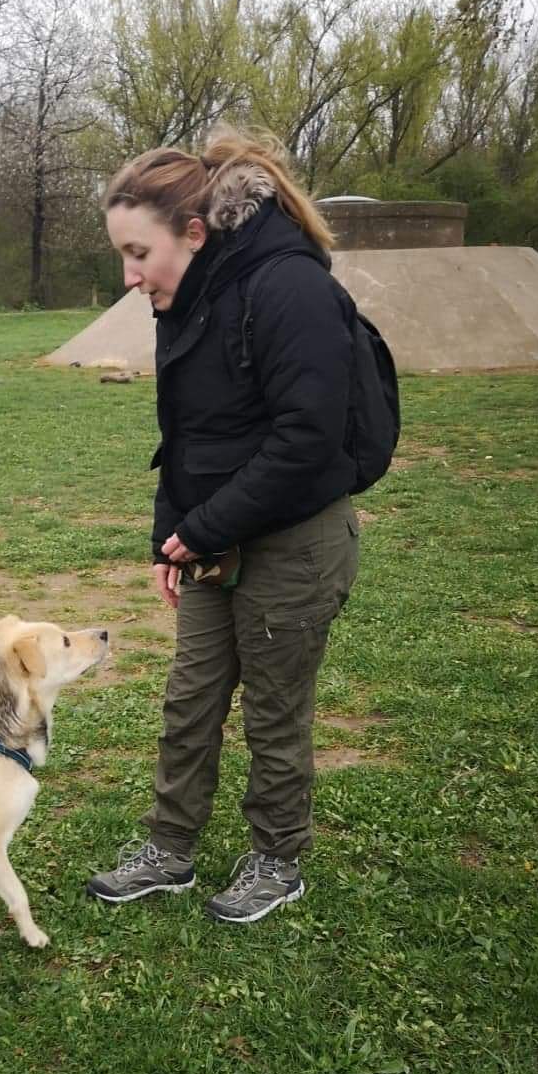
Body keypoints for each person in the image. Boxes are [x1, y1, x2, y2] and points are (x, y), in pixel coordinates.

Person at [85, 126, 362, 924]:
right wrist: (169, 534)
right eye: (123, 257)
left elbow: (307, 440)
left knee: (275, 715)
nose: (130, 276)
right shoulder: (187, 293)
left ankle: (277, 860)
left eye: (139, 253)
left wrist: (201, 527)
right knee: (191, 699)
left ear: (195, 232)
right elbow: (186, 432)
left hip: (297, 540)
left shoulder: (288, 286)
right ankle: (169, 849)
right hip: (214, 534)